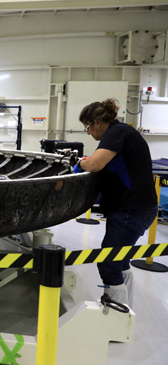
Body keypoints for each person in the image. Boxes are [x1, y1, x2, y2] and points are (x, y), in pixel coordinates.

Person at [74, 98, 158, 307]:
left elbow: (94, 164)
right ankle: (125, 308)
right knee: (119, 258)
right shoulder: (120, 133)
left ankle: (116, 315)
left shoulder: (117, 133)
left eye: (88, 128)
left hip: (131, 209)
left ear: (98, 122)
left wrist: (78, 162)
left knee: (109, 261)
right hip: (137, 207)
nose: (90, 134)